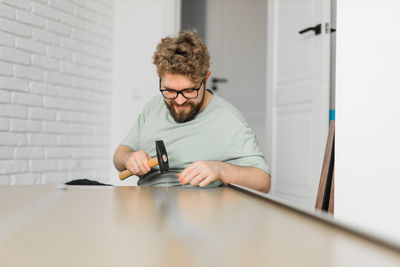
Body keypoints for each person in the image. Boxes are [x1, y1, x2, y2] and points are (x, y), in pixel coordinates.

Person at [113, 31, 271, 193]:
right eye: (170, 91)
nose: (179, 101)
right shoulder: (153, 107)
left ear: (206, 78)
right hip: (145, 205)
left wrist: (222, 170)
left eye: (189, 91)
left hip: (196, 210)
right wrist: (129, 159)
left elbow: (263, 181)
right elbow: (119, 155)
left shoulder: (229, 120)